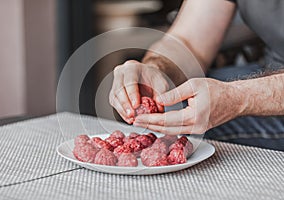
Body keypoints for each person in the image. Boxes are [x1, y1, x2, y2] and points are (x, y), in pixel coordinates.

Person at [109, 0, 284, 150]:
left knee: (180, 132)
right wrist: (155, 68)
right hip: (269, 70)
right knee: (165, 113)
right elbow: (188, 43)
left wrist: (238, 97)